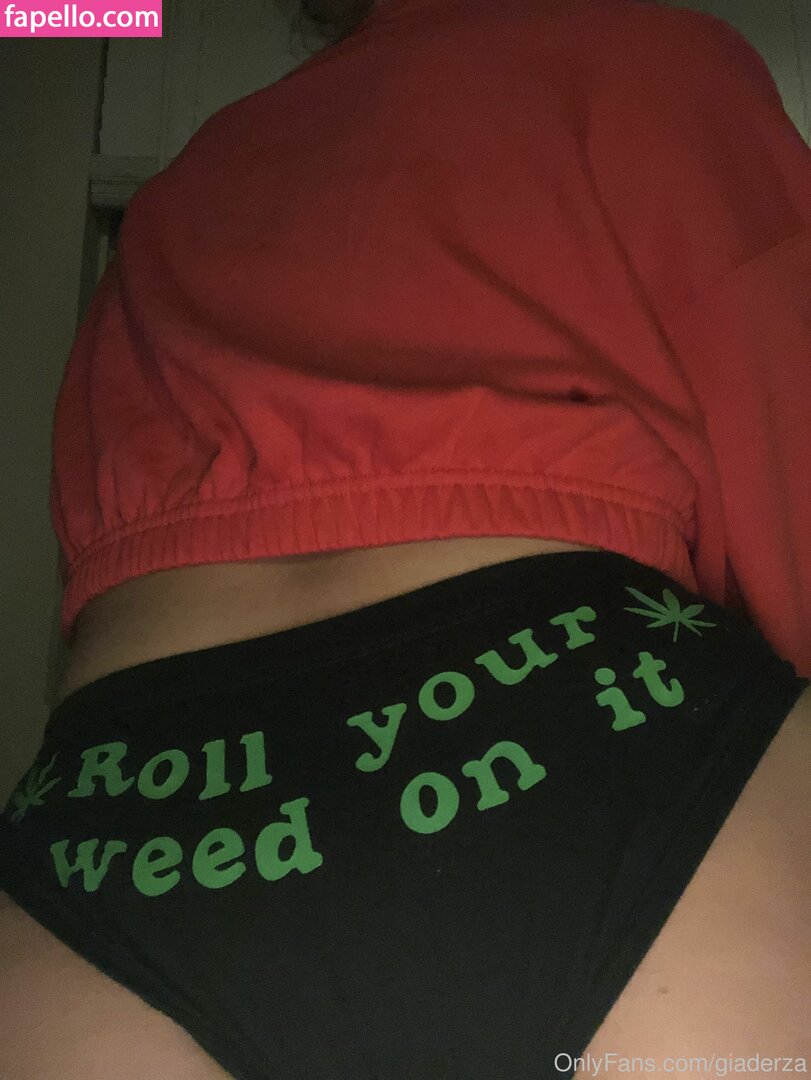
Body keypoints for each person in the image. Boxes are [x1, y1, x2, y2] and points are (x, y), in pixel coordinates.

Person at [1, 0, 809, 1077]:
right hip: (592, 729)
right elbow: (784, 424)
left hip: (130, 812)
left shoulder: (195, 176)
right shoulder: (643, 58)